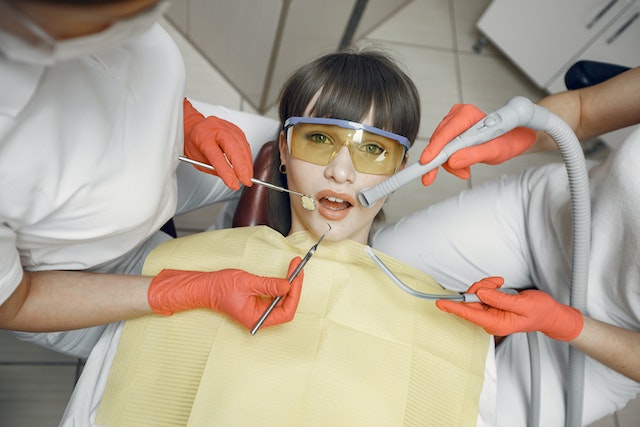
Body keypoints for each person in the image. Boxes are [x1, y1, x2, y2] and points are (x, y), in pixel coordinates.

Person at [60, 49, 498, 426]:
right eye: (319, 138)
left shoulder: (450, 329)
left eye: (372, 148)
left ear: (401, 169)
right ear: (283, 151)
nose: (340, 171)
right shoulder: (180, 269)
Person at [0, 0, 303, 360]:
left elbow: (125, 69)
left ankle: (228, 234)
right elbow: (15, 302)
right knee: (199, 345)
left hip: (171, 162)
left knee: (284, 148)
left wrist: (187, 121)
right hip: (85, 272)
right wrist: (183, 290)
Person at [373, 66, 640, 425]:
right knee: (378, 267)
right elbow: (583, 109)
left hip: (603, 340)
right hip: (544, 218)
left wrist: (562, 322)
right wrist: (515, 135)